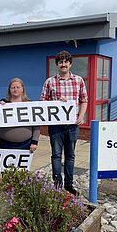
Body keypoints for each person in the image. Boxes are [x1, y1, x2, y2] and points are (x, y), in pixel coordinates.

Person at [40, 50, 88, 196]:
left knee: (70, 155)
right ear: (57, 65)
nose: (63, 64)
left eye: (66, 62)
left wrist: (81, 116)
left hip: (72, 125)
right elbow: (43, 102)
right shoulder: (50, 82)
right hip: (56, 125)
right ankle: (57, 185)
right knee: (56, 155)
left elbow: (84, 100)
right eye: (60, 62)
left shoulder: (79, 80)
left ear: (70, 64)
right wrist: (56, 103)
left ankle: (69, 184)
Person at [0, 78, 40, 152]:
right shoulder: (3, 104)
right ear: (9, 90)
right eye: (13, 87)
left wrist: (34, 142)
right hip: (4, 144)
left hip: (25, 144)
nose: (15, 89)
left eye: (18, 87)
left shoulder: (30, 105)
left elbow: (36, 126)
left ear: (22, 89)